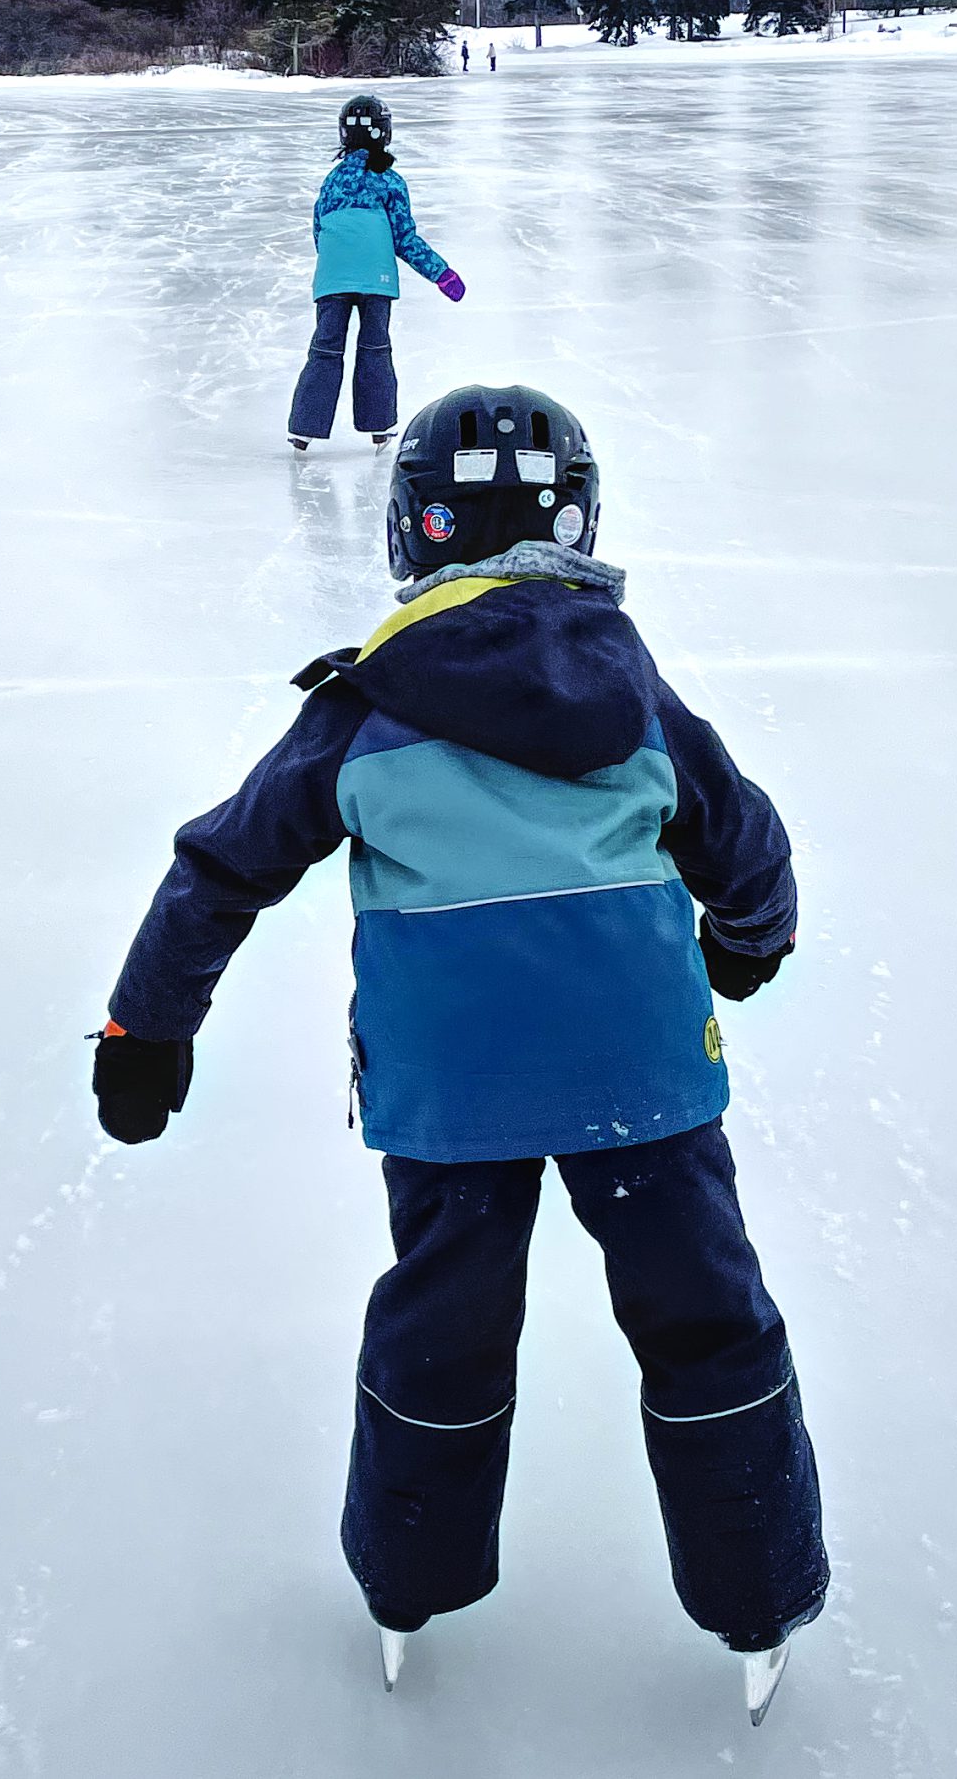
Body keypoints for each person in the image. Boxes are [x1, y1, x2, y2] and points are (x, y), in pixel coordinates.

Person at [91, 386, 828, 1719]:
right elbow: (745, 837)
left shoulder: (364, 705)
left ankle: (407, 1581)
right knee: (707, 1317)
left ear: (410, 536)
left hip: (453, 1088)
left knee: (446, 1319)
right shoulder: (631, 687)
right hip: (639, 1077)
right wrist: (749, 943)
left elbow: (222, 869)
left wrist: (146, 1032)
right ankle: (759, 1593)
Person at [287, 97, 465, 452]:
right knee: (375, 348)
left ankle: (304, 428)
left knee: (324, 349)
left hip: (332, 280)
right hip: (375, 280)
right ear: (384, 133)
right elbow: (404, 238)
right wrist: (441, 274)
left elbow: (319, 230)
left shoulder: (332, 179)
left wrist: (338, 264)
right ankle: (379, 426)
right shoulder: (390, 181)